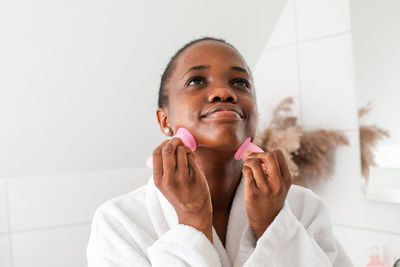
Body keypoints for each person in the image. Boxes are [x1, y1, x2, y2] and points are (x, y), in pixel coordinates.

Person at [86, 37, 354, 266]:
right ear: (164, 120)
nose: (225, 92)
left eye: (240, 83)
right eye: (197, 80)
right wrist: (191, 219)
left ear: (255, 114)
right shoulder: (120, 222)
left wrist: (273, 227)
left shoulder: (304, 208)